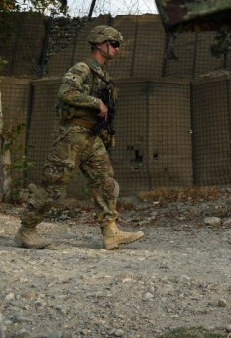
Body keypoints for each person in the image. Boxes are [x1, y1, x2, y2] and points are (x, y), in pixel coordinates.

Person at [15, 25, 144, 250]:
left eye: (118, 45)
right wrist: (96, 102)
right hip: (72, 136)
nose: (117, 48)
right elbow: (66, 91)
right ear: (99, 44)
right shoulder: (82, 68)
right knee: (53, 186)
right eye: (114, 44)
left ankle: (110, 232)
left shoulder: (103, 75)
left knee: (105, 182)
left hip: (91, 137)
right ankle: (26, 230)